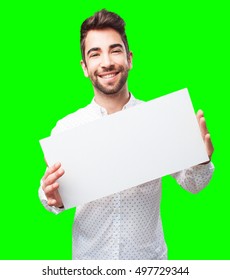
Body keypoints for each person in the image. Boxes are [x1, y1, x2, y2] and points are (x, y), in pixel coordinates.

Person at [39, 9, 214, 260]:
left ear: (129, 58)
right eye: (95, 54)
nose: (107, 62)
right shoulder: (67, 129)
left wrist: (200, 161)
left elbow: (194, 184)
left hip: (149, 265)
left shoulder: (159, 120)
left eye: (115, 50)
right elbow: (50, 198)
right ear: (85, 67)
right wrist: (50, 196)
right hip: (90, 266)